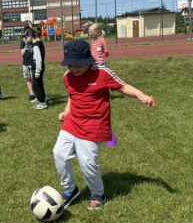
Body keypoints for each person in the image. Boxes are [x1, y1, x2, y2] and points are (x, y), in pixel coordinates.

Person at [53, 40, 156, 211]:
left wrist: (141, 95)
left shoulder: (102, 73)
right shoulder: (67, 76)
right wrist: (66, 112)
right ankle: (70, 189)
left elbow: (123, 86)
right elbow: (73, 96)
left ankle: (97, 194)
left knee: (87, 163)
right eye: (70, 65)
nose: (74, 69)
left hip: (93, 126)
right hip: (72, 122)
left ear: (88, 60)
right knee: (59, 154)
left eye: (78, 65)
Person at [31, 30, 47, 109]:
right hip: (40, 66)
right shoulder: (40, 43)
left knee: (36, 85)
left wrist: (37, 70)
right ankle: (43, 99)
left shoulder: (36, 45)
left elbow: (38, 58)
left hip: (37, 67)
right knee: (39, 84)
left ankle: (42, 102)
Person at [20, 28, 35, 102]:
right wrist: (26, 45)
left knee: (34, 79)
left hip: (32, 63)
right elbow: (22, 53)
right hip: (25, 63)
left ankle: (36, 93)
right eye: (28, 36)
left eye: (30, 36)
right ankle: (31, 93)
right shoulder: (23, 42)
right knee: (28, 79)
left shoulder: (34, 42)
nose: (29, 37)